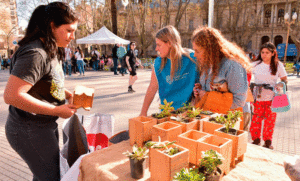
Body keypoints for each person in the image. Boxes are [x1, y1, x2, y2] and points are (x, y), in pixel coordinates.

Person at [3, 2, 78, 180]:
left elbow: (45, 81)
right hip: (27, 129)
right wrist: (56, 110)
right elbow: (12, 96)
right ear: (52, 26)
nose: (72, 36)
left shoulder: (50, 47)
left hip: (42, 126)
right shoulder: (36, 53)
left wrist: (65, 94)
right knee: (52, 177)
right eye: (69, 30)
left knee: (45, 175)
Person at [140, 25, 199, 115]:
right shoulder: (158, 63)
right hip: (167, 113)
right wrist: (143, 113)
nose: (156, 49)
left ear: (170, 43)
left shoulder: (192, 58)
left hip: (188, 113)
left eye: (159, 45)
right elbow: (152, 88)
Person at [192, 27, 251, 111]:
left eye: (197, 51)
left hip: (232, 119)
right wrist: (200, 90)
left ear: (210, 50)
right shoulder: (207, 64)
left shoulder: (232, 65)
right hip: (215, 117)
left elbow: (239, 101)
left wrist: (207, 96)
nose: (194, 55)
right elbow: (209, 91)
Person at [250, 42, 287, 149]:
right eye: (262, 52)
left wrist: (278, 87)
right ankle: (256, 139)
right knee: (256, 119)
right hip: (258, 98)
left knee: (269, 121)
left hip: (272, 99)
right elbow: (246, 76)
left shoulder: (278, 65)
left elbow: (284, 79)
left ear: (272, 53)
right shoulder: (255, 65)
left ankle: (267, 141)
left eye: (267, 52)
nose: (264, 55)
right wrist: (252, 85)